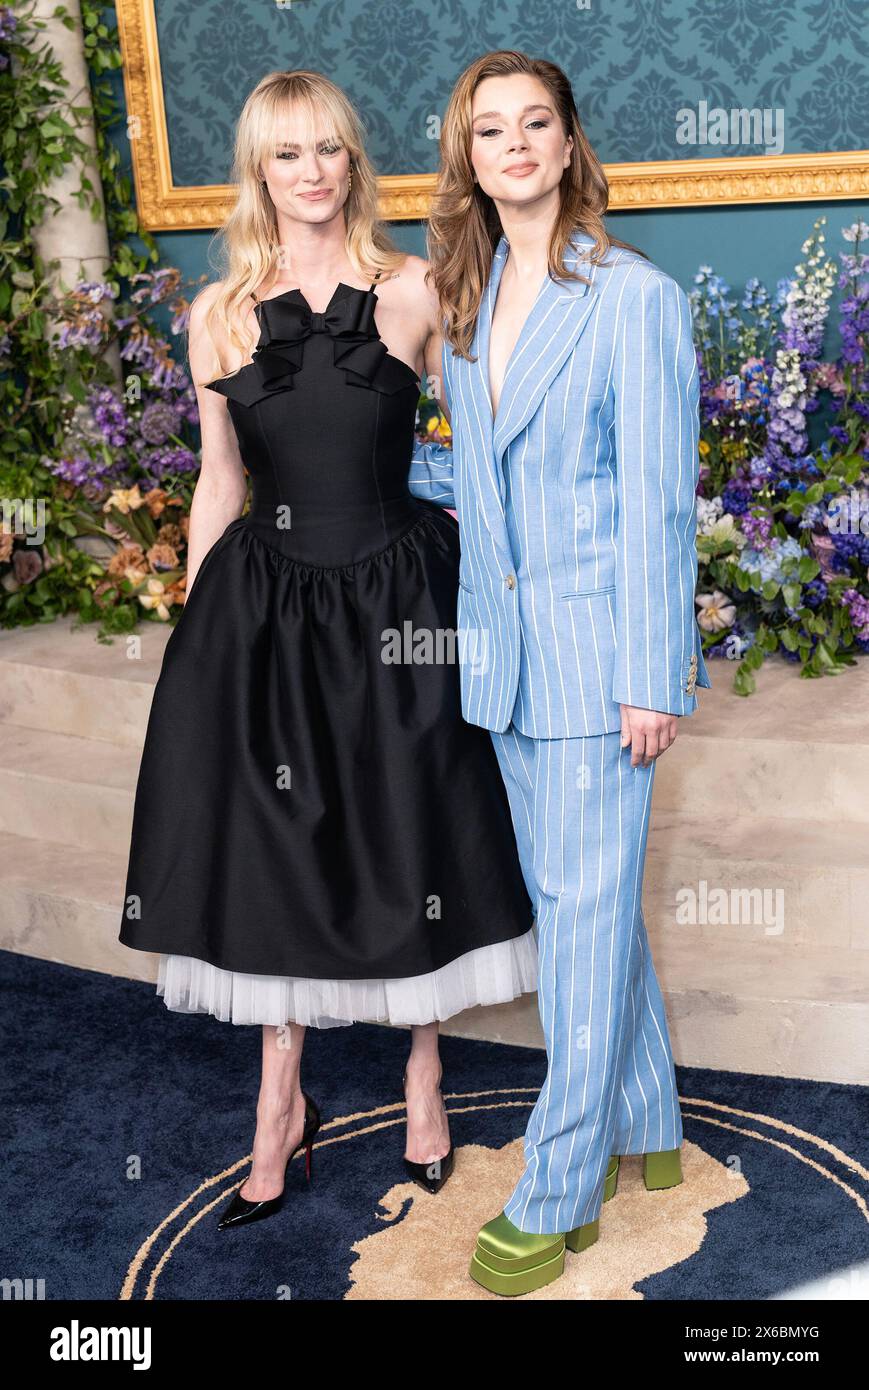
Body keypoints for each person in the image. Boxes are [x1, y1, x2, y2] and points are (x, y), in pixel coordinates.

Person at [119, 69, 537, 1230]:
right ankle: (277, 1108)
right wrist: (200, 628)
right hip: (266, 606)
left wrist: (486, 565)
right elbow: (219, 480)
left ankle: (420, 1072)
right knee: (272, 843)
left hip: (399, 597)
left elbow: (480, 454)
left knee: (412, 827)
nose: (310, 174)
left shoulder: (413, 290)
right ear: (255, 171)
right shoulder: (215, 315)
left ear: (353, 161)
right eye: (284, 155)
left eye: (328, 152)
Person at [409, 49, 711, 1295]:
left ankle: (558, 1176)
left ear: (569, 142)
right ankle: (646, 1120)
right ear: (467, 157)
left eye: (535, 123)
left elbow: (656, 505)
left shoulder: (630, 297)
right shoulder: (466, 298)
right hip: (507, 659)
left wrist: (651, 671)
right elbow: (481, 486)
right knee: (582, 907)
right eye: (491, 130)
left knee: (577, 920)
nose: (514, 145)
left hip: (600, 662)